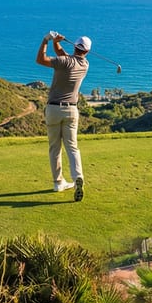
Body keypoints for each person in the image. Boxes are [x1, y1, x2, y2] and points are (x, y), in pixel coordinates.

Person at [36, 31, 90, 202]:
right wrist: (56, 44)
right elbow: (66, 58)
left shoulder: (64, 62)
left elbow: (41, 60)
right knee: (72, 147)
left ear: (75, 46)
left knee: (55, 148)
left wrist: (46, 40)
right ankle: (77, 177)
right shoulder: (84, 65)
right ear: (87, 51)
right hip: (72, 111)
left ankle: (58, 182)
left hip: (53, 109)